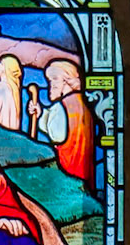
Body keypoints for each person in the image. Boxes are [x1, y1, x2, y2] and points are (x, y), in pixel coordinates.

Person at [41, 58, 96, 192]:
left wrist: (41, 117)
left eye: (53, 81)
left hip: (67, 168)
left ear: (65, 81)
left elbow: (56, 136)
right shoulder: (86, 107)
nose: (51, 85)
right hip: (85, 170)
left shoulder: (61, 107)